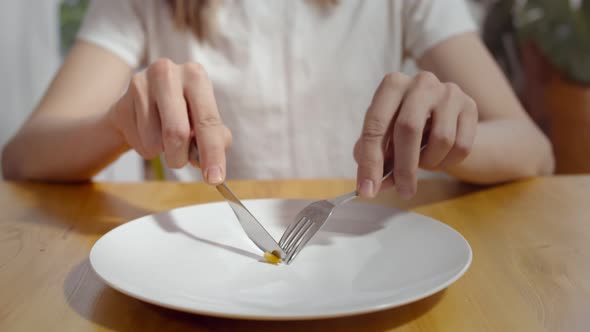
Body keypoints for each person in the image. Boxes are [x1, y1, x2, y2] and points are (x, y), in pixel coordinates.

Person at [1, 0, 554, 199]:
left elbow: (534, 151)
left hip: (372, 264)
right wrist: (116, 125)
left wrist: (451, 136)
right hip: (213, 286)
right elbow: (22, 157)